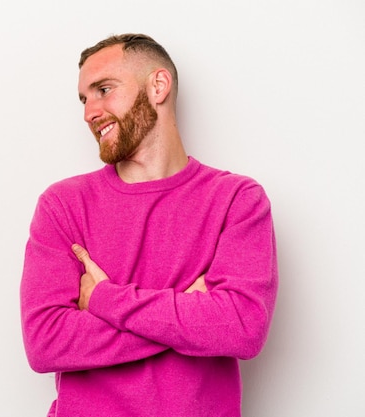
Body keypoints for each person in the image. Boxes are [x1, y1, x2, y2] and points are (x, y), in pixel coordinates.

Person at [20, 33, 278, 417]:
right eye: (84, 99)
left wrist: (105, 299)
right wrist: (191, 314)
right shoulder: (63, 205)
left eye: (103, 89)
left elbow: (242, 327)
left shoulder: (237, 200)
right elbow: (45, 343)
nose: (89, 112)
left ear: (158, 86)